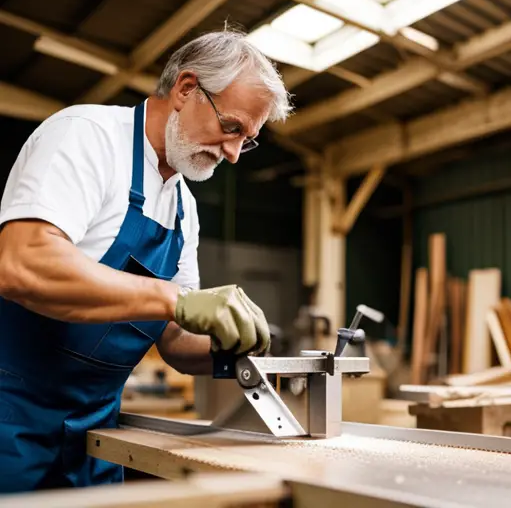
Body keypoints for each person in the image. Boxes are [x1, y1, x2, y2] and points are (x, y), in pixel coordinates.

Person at [0, 29, 292, 493]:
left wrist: (235, 350)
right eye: (232, 127)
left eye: (248, 140)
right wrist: (171, 296)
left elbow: (174, 338)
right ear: (186, 89)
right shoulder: (87, 136)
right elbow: (23, 264)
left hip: (94, 438)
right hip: (10, 420)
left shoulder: (183, 208)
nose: (235, 153)